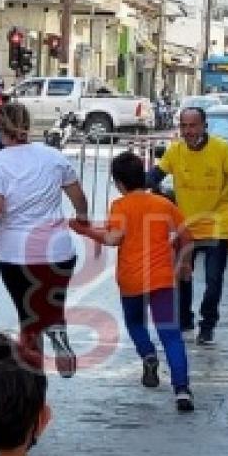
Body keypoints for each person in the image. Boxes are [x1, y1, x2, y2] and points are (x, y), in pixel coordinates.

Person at [0, 102, 89, 377]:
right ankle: (57, 329)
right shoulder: (53, 156)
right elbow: (78, 196)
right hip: (59, 250)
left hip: (17, 254)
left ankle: (33, 381)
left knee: (28, 318)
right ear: (28, 125)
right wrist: (83, 217)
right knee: (51, 305)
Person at [72, 150, 196, 412]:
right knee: (171, 335)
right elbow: (187, 237)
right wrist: (184, 263)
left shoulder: (120, 206)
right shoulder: (164, 204)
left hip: (131, 280)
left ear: (119, 183)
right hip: (162, 278)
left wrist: (85, 231)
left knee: (135, 323)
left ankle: (148, 354)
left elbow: (113, 239)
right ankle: (182, 390)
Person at [146, 106, 228, 347]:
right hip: (187, 226)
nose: (188, 131)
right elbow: (154, 176)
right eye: (184, 126)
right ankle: (184, 319)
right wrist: (133, 187)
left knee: (213, 279)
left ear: (204, 126)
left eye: (193, 126)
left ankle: (207, 325)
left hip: (218, 224)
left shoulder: (221, 150)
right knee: (182, 276)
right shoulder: (175, 151)